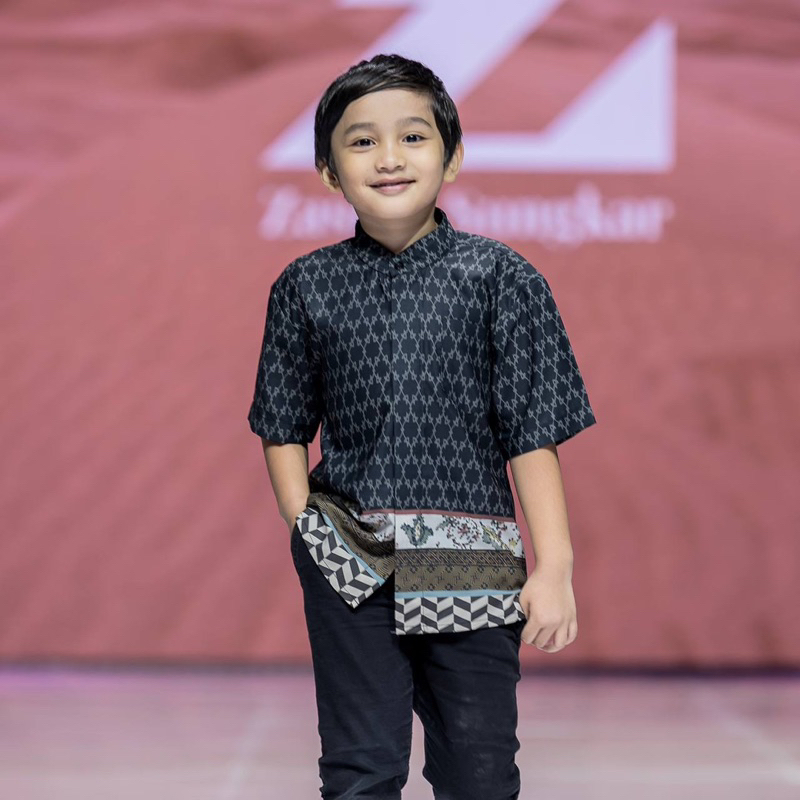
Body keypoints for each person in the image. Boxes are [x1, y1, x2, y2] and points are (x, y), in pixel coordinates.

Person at [247, 53, 597, 800]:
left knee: (479, 774)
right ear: (328, 171)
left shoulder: (502, 278)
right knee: (360, 771)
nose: (389, 158)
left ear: (453, 157)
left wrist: (555, 567)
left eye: (412, 137)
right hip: (351, 562)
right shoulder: (306, 286)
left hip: (477, 568)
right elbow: (281, 421)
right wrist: (307, 526)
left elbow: (532, 432)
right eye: (361, 141)